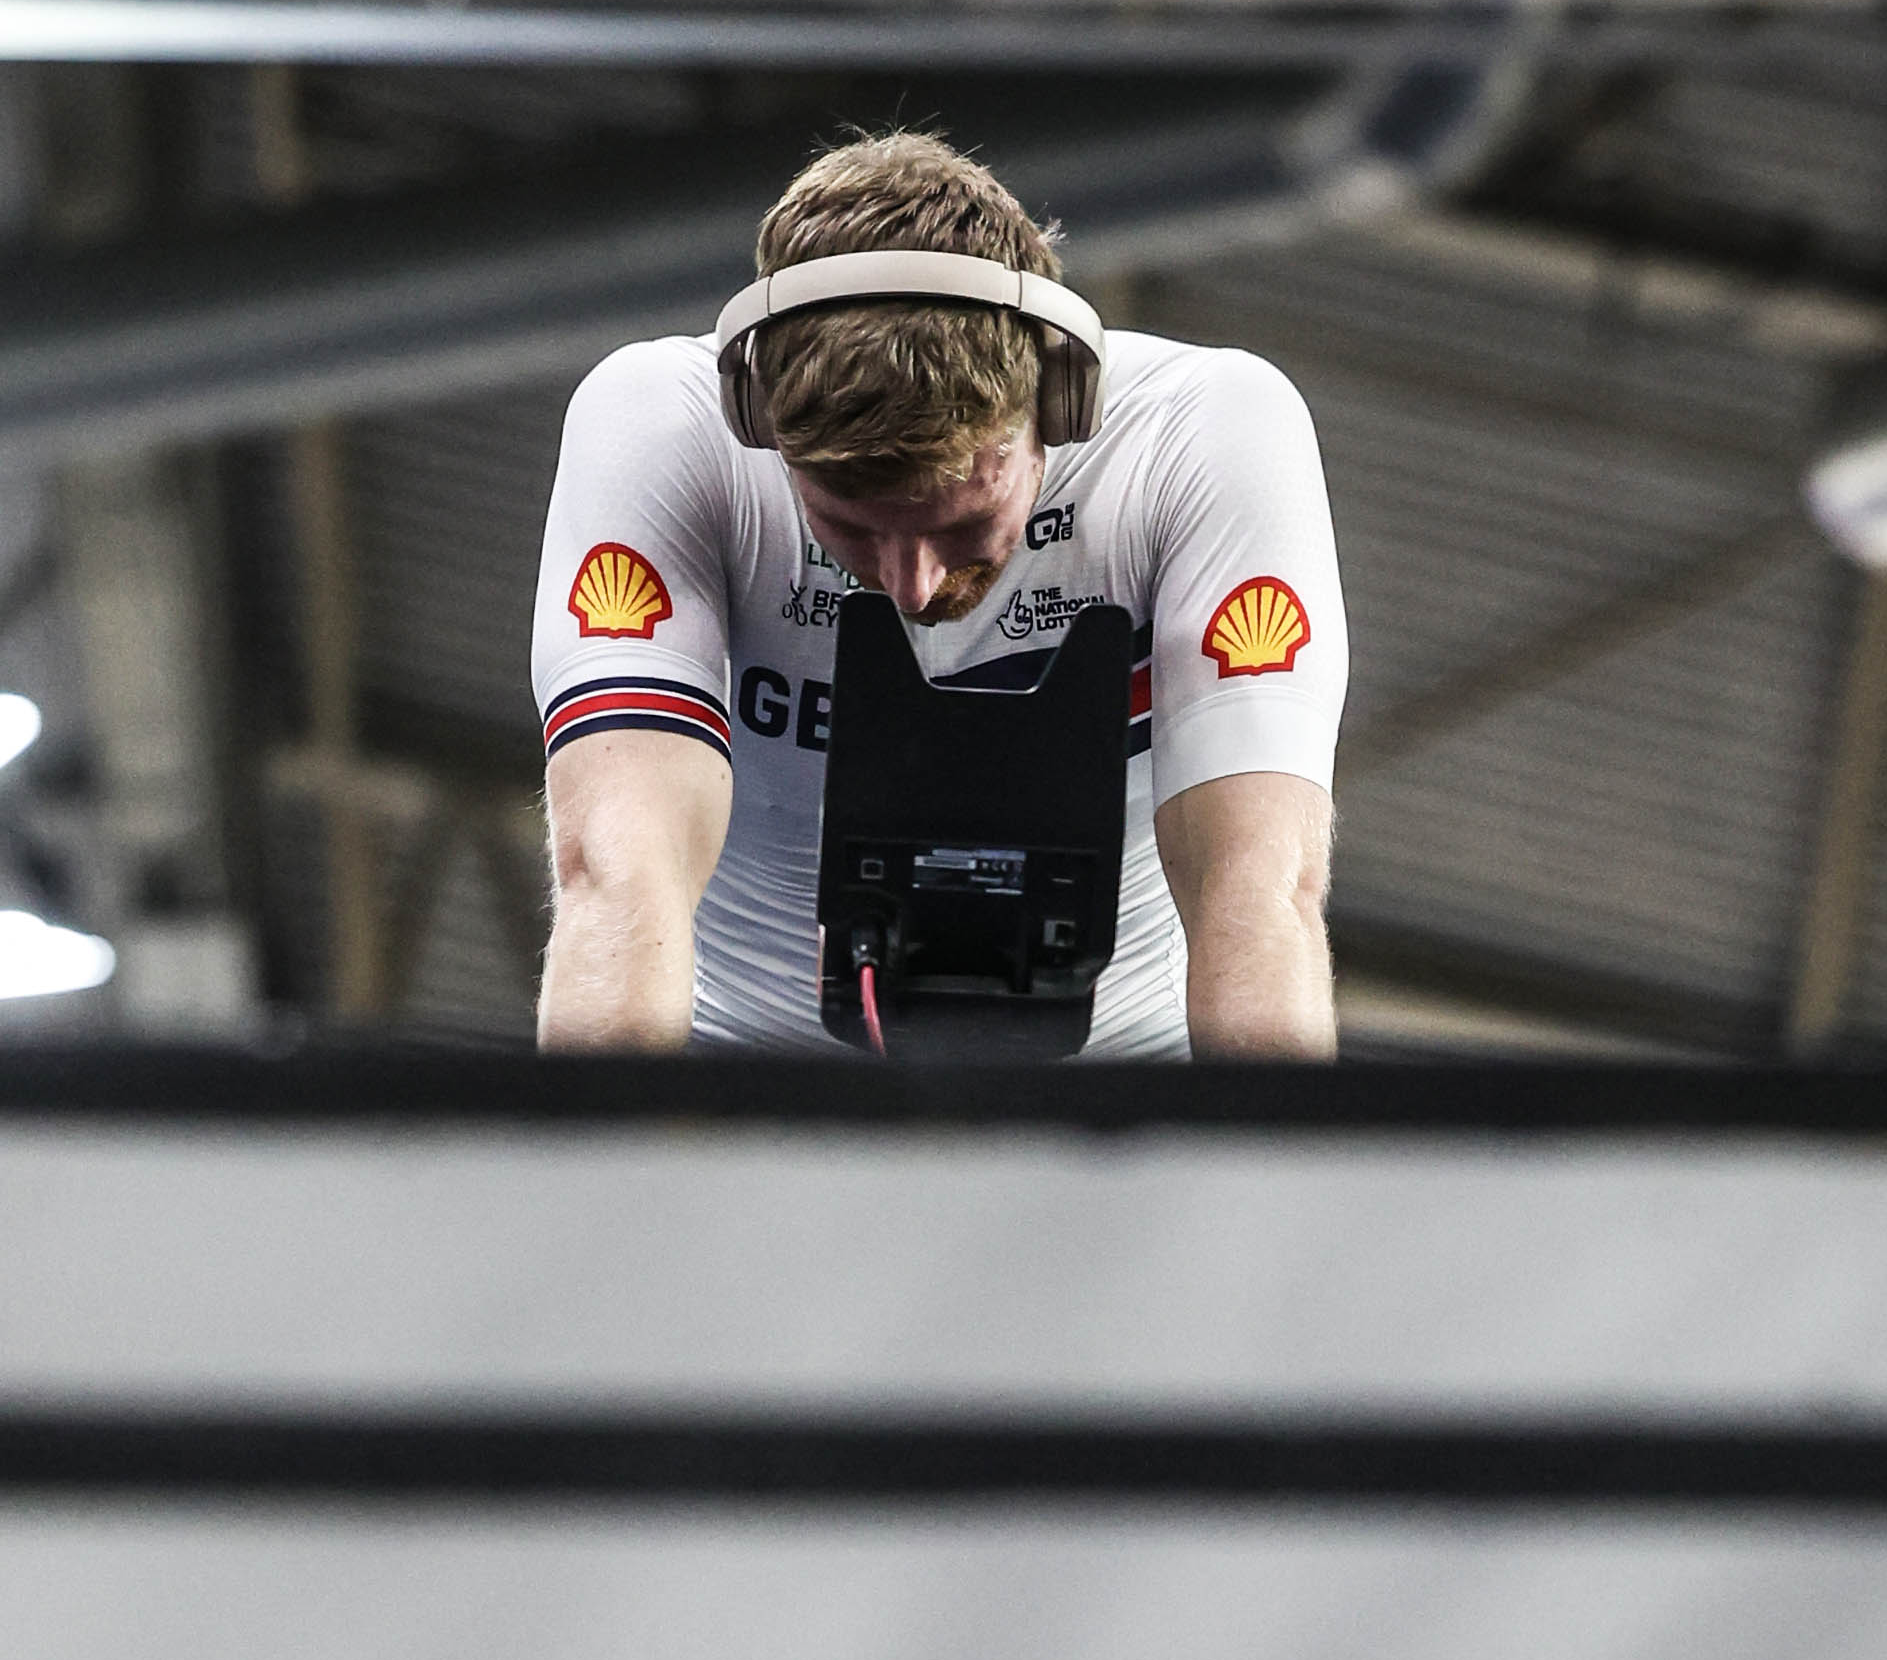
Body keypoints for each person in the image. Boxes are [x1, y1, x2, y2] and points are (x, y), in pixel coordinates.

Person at [532, 128, 1345, 1058]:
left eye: (958, 523)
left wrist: (1266, 1193)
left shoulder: (1201, 437)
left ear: (1059, 406)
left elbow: (1260, 887)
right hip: (749, 1070)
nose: (910, 586)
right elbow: (616, 871)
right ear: (759, 423)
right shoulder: (662, 429)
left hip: (1121, 1073)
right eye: (849, 525)